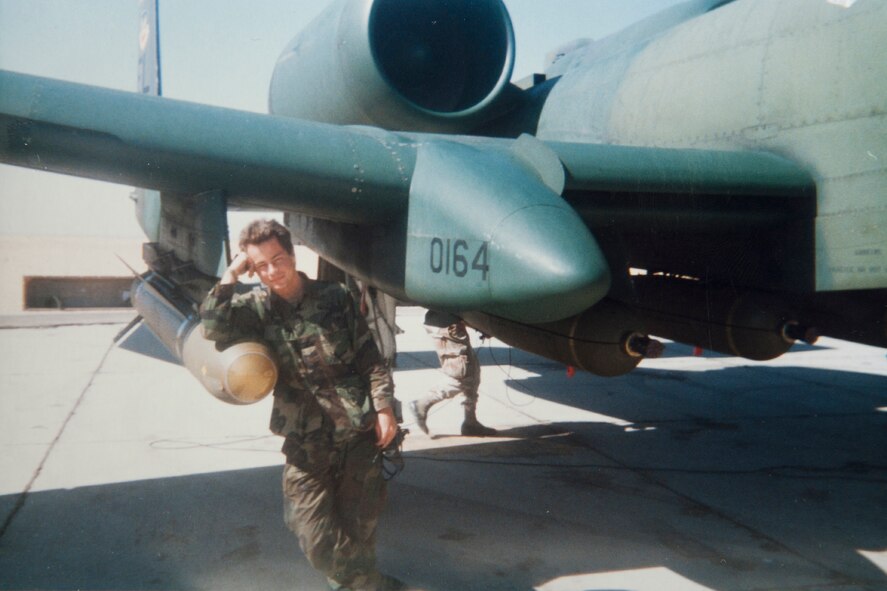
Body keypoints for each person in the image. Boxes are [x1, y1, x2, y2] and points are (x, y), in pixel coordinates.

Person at [199, 219, 405, 591]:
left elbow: (369, 358)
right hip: (305, 441)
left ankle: (357, 585)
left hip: (357, 433)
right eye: (261, 266)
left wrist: (384, 408)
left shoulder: (335, 297)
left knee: (360, 525)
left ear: (293, 255)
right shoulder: (255, 308)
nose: (273, 271)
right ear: (252, 269)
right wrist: (231, 273)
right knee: (312, 534)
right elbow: (213, 326)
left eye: (278, 259)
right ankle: (370, 583)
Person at [411, 311, 497, 437]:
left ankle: (470, 423)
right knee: (461, 377)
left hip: (446, 323)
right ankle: (422, 404)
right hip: (447, 325)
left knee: (473, 373)